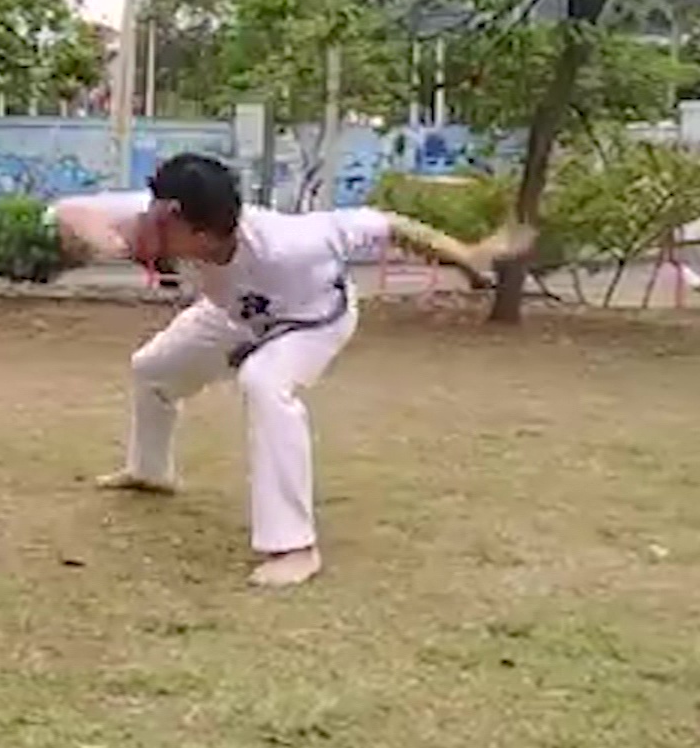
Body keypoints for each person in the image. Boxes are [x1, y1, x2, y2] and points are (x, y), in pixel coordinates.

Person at [48, 153, 536, 588]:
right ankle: (150, 472)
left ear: (200, 230)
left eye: (162, 223)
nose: (147, 225)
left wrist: (467, 255)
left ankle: (295, 547)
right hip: (235, 315)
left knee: (263, 381)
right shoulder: (169, 208)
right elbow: (70, 210)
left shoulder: (294, 243)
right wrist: (105, 242)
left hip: (313, 320)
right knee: (152, 368)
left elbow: (387, 223)